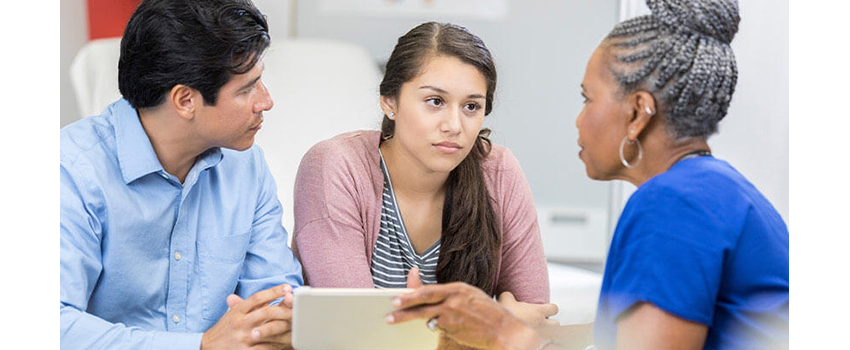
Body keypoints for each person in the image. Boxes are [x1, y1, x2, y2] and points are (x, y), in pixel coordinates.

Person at [386, 1, 789, 349]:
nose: (578, 120)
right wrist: (515, 327)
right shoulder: (713, 189)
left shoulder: (672, 204)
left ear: (637, 113)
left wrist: (503, 334)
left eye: (587, 98)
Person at [291, 22, 558, 346]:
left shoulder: (498, 172)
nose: (454, 125)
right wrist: (492, 324)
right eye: (435, 101)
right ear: (390, 101)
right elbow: (355, 335)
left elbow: (535, 325)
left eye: (471, 106)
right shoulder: (335, 166)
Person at [59, 0, 303, 349]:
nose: (266, 102)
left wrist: (283, 321)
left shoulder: (247, 166)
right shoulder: (71, 169)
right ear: (185, 100)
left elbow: (277, 295)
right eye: (247, 88)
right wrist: (201, 345)